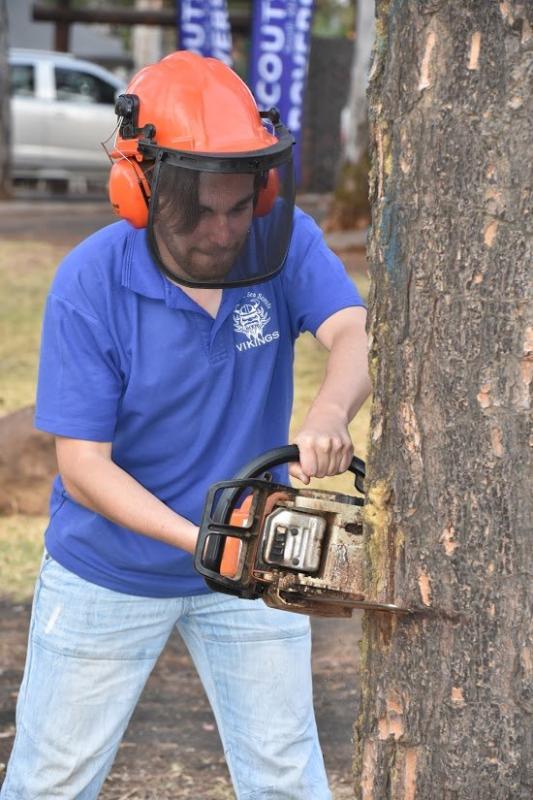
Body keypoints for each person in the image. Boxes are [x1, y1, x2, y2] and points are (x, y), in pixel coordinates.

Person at [0, 51, 370, 800]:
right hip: (109, 570)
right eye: (197, 210)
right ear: (141, 192)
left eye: (239, 206)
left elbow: (355, 332)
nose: (222, 230)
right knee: (52, 782)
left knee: (284, 777)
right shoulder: (90, 284)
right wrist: (200, 540)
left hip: (248, 565)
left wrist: (329, 413)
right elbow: (83, 466)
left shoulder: (282, 240)